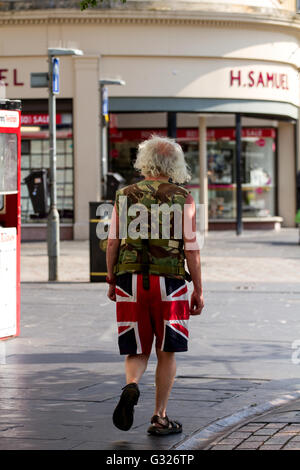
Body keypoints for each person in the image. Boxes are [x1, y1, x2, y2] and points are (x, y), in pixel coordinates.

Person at [106, 135, 204, 436]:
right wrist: (198, 289)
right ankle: (159, 417)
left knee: (136, 348)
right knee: (166, 351)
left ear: (144, 161)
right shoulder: (182, 197)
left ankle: (132, 385)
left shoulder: (124, 195)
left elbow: (112, 242)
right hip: (170, 283)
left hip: (130, 280)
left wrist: (112, 279)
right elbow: (191, 248)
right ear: (174, 163)